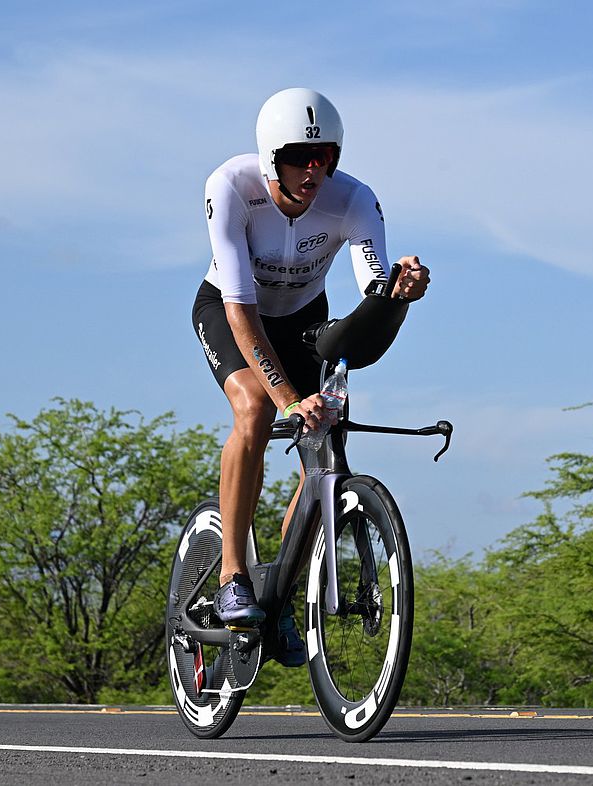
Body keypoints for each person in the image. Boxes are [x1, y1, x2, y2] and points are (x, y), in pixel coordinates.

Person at [191, 88, 430, 666]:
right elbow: (241, 311)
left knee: (326, 436)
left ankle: (284, 593)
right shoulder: (230, 188)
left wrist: (399, 292)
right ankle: (232, 575)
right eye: (300, 156)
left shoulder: (355, 201)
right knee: (256, 407)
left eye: (325, 157)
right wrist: (286, 396)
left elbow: (374, 281)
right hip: (231, 312)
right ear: (272, 157)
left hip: (304, 319)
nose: (313, 171)